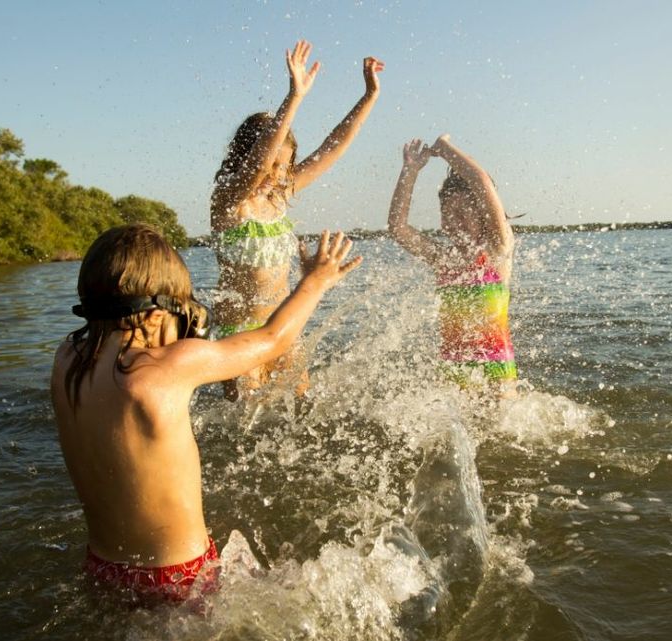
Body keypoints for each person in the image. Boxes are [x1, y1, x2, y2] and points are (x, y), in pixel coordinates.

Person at [50, 223, 361, 605]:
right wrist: (315, 281)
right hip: (178, 576)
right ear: (153, 314)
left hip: (103, 568)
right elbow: (272, 339)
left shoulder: (65, 360)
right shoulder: (166, 367)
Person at [210, 39, 383, 399]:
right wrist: (294, 98)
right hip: (239, 332)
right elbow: (257, 167)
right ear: (244, 157)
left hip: (284, 325)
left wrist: (368, 97)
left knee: (301, 408)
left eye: (284, 166)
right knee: (246, 423)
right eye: (271, 164)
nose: (275, 174)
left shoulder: (280, 197)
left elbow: (332, 149)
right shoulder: (228, 200)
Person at [387, 135, 518, 390]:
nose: (453, 222)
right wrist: (410, 172)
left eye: (461, 213)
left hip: (496, 370)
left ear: (482, 214)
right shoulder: (444, 260)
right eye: (446, 215)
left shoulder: (497, 249)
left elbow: (481, 182)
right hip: (453, 368)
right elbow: (397, 227)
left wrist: (445, 147)